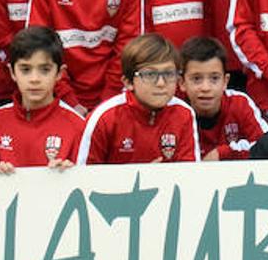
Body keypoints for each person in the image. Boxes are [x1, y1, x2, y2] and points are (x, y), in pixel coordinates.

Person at [77, 34, 199, 164]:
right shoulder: (104, 117)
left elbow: (189, 175)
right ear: (128, 82)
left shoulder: (184, 113)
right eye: (150, 74)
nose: (161, 83)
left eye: (168, 74)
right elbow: (85, 178)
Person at [0, 26, 86, 168]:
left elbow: (85, 183)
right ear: (12, 72)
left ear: (59, 73)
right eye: (25, 70)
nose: (35, 79)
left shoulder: (77, 125)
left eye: (45, 70)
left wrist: (68, 176)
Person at [180, 36, 268, 160]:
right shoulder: (175, 110)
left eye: (214, 78)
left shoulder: (240, 103)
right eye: (196, 79)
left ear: (225, 81)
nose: (206, 88)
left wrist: (224, 153)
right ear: (182, 83)